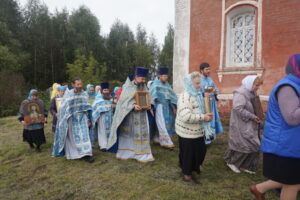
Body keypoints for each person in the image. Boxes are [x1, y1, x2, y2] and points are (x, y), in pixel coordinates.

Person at [250, 54, 300, 200]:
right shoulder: (287, 87)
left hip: (292, 143)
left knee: (292, 181)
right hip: (284, 146)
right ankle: (259, 188)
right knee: (292, 183)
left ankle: (259, 188)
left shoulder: (296, 84)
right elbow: (291, 117)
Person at [107, 67, 154, 163]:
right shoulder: (127, 87)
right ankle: (127, 153)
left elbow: (149, 98)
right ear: (136, 77)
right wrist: (133, 106)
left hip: (142, 116)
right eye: (142, 78)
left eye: (145, 79)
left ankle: (143, 154)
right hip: (130, 117)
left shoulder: (144, 86)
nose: (143, 81)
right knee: (130, 135)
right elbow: (122, 103)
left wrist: (150, 105)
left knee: (142, 135)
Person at [176, 72, 213, 184]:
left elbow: (201, 107)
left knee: (200, 150)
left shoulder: (196, 94)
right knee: (189, 153)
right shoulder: (184, 97)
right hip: (187, 131)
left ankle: (190, 167)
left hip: (198, 130)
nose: (199, 85)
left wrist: (206, 100)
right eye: (197, 83)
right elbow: (186, 116)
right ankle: (187, 174)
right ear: (189, 84)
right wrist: (203, 117)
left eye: (199, 83)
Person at [224, 75, 263, 174]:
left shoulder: (252, 92)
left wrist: (258, 115)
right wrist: (252, 116)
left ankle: (246, 166)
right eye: (256, 85)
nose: (257, 87)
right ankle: (233, 163)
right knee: (243, 144)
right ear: (250, 83)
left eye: (258, 85)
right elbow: (238, 108)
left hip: (250, 123)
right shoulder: (240, 93)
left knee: (254, 144)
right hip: (241, 123)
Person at [52, 78, 94, 163]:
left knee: (84, 137)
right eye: (78, 84)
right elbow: (63, 108)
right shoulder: (68, 94)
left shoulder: (84, 94)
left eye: (80, 84)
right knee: (74, 138)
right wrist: (65, 119)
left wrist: (88, 118)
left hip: (82, 118)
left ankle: (87, 154)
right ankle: (75, 154)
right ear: (73, 85)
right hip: (71, 119)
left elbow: (87, 107)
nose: (80, 86)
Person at [150, 67, 177, 149]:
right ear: (159, 76)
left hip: (167, 107)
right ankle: (166, 142)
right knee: (162, 124)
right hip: (159, 107)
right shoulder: (155, 84)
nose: (166, 77)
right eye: (164, 76)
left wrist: (174, 106)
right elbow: (151, 95)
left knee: (165, 123)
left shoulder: (167, 85)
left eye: (167, 76)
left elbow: (172, 96)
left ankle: (157, 139)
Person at [199, 62, 224, 144]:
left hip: (212, 103)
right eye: (206, 69)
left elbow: (215, 89)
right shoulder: (198, 80)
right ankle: (204, 139)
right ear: (201, 70)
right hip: (204, 104)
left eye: (209, 69)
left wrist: (215, 94)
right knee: (206, 120)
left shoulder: (210, 79)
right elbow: (197, 92)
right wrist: (204, 94)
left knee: (211, 120)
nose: (208, 71)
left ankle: (210, 137)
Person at [91, 82, 115, 151]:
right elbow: (95, 108)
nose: (106, 91)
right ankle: (103, 146)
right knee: (102, 131)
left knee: (110, 131)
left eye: (107, 90)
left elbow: (112, 106)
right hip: (102, 117)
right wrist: (96, 118)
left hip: (110, 117)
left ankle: (109, 144)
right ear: (101, 91)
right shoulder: (98, 99)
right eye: (105, 90)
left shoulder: (110, 98)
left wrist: (113, 106)